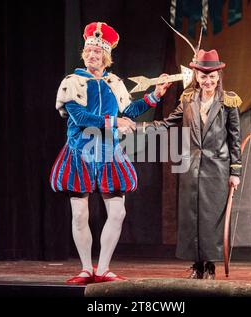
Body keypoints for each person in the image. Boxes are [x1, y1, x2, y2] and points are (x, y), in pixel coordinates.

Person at [50, 22, 170, 285]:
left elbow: (128, 113)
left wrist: (154, 97)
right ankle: (85, 268)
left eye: (97, 52)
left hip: (109, 153)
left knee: (118, 213)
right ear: (83, 53)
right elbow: (81, 117)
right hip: (80, 152)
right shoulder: (73, 82)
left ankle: (103, 269)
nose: (92, 55)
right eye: (89, 51)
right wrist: (114, 122)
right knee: (80, 214)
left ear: (106, 57)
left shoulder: (113, 82)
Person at [139, 49, 242, 279]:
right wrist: (140, 128)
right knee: (192, 216)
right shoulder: (187, 100)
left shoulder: (228, 101)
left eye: (212, 76)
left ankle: (210, 265)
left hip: (217, 168)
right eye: (203, 76)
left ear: (219, 76)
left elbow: (235, 138)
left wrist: (235, 171)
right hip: (191, 168)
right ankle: (197, 265)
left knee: (211, 217)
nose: (208, 80)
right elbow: (166, 124)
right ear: (196, 76)